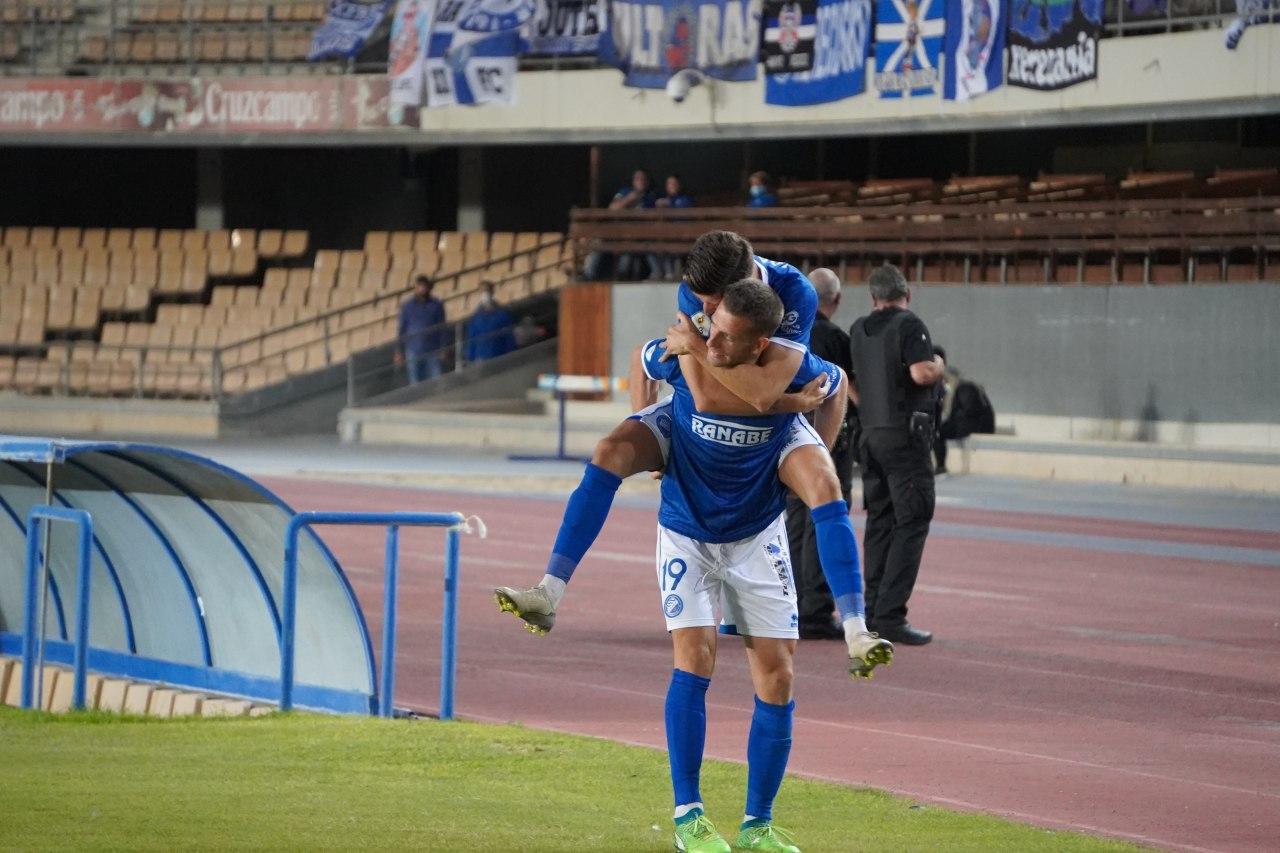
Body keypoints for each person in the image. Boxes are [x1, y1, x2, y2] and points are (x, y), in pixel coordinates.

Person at [496, 231, 885, 681]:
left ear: (743, 291)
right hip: (695, 417)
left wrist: (809, 437)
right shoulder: (696, 298)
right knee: (608, 450)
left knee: (825, 484)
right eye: (697, 302)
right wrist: (651, 434)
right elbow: (697, 392)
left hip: (770, 427)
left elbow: (770, 392)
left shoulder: (792, 294)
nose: (701, 313)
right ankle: (548, 590)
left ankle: (856, 628)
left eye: (712, 305)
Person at [626, 281, 889, 853]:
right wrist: (648, 427)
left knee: (778, 674)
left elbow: (837, 383)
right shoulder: (689, 343)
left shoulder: (795, 365)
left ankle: (757, 827)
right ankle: (688, 819)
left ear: (762, 341)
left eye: (728, 334)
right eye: (712, 324)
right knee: (695, 657)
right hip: (687, 529)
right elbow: (643, 361)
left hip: (755, 535)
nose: (714, 338)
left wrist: (813, 438)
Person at [848, 264, 945, 646]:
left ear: (873, 297)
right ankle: (890, 615)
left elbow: (848, 380)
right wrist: (939, 365)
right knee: (913, 519)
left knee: (880, 523)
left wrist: (868, 408)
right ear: (908, 293)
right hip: (905, 439)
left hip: (870, 436)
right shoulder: (909, 324)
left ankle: (872, 610)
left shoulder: (858, 328)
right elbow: (921, 374)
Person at [782, 269, 855, 640]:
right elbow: (848, 390)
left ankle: (789, 602)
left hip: (789, 437)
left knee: (793, 520)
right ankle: (816, 608)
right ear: (836, 300)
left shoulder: (789, 336)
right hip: (827, 439)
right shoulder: (837, 338)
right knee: (825, 518)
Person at [584, 169, 656, 280]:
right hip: (617, 233)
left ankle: (624, 278)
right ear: (633, 181)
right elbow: (612, 208)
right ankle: (588, 276)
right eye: (638, 179)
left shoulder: (650, 197)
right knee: (598, 242)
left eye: (643, 179)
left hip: (637, 236)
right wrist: (629, 199)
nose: (641, 181)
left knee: (627, 257)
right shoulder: (625, 192)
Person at [395, 275, 448, 384]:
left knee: (436, 382)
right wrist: (399, 351)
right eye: (419, 286)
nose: (422, 289)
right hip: (413, 350)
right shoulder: (407, 306)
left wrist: (443, 348)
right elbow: (402, 329)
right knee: (415, 383)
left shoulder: (436, 305)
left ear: (429, 288)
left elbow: (442, 328)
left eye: (424, 286)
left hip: (433, 349)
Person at [648, 174, 695, 280]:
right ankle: (658, 272)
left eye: (674, 183)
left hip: (681, 236)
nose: (672, 186)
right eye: (669, 183)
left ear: (679, 185)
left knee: (670, 246)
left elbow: (685, 216)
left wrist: (670, 204)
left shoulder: (685, 199)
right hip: (663, 236)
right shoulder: (661, 199)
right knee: (650, 245)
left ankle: (671, 273)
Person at [463, 281, 516, 363]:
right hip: (481, 357)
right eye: (482, 291)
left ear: (492, 292)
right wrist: (470, 356)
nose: (485, 294)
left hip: (499, 356)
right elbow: (472, 338)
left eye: (487, 291)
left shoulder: (502, 313)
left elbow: (508, 336)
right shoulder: (475, 316)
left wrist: (510, 354)